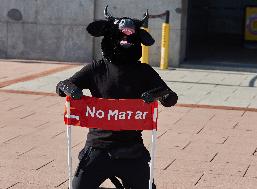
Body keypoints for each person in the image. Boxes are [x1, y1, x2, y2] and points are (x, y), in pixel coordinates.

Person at [56, 6, 178, 189]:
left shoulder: (144, 71)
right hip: (97, 146)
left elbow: (171, 98)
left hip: (132, 148)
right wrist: (70, 89)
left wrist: (158, 94)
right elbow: (61, 86)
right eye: (121, 37)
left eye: (130, 38)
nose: (126, 40)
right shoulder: (96, 68)